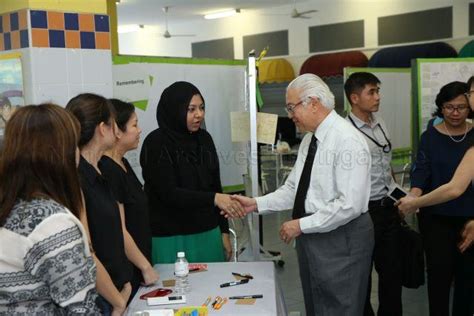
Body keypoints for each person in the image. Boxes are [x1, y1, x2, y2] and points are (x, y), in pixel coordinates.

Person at [230, 73, 374, 315]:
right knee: (317, 305)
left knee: (341, 306)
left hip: (342, 238)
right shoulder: (310, 140)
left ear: (314, 103)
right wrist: (255, 204)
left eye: (291, 107)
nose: (289, 115)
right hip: (314, 235)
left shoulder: (347, 141)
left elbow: (349, 205)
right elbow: (294, 190)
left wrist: (301, 225)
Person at [0, 104, 100, 314]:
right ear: (59, 154)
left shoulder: (9, 208)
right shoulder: (52, 224)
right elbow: (80, 309)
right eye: (74, 145)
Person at [67, 93, 158, 315]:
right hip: (104, 297)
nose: (117, 131)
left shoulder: (99, 171)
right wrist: (117, 300)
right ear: (102, 128)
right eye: (113, 124)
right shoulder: (78, 178)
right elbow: (86, 250)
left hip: (120, 290)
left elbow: (116, 229)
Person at [140, 81, 243, 264]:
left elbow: (215, 186)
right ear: (175, 110)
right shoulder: (155, 143)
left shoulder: (204, 139)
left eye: (202, 108)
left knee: (212, 289)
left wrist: (224, 231)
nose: (199, 115)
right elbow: (168, 193)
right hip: (169, 237)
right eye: (191, 109)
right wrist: (213, 198)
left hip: (207, 233)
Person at [398, 76, 474, 315]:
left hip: (469, 220)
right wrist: (413, 196)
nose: (454, 113)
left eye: (461, 107)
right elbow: (421, 172)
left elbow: (456, 187)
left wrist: (413, 203)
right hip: (436, 218)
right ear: (441, 107)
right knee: (439, 275)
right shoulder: (429, 136)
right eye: (448, 107)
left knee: (468, 277)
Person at [344, 72, 402, 316]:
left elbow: (385, 161)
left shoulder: (380, 122)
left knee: (392, 275)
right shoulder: (344, 131)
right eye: (372, 92)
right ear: (354, 98)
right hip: (362, 213)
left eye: (378, 91)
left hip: (388, 207)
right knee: (361, 277)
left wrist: (398, 195)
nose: (378, 97)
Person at [100, 98, 152, 297]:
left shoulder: (123, 163)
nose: (139, 130)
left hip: (138, 265)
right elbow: (119, 229)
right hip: (127, 271)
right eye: (134, 125)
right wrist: (144, 266)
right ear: (117, 131)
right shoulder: (108, 170)